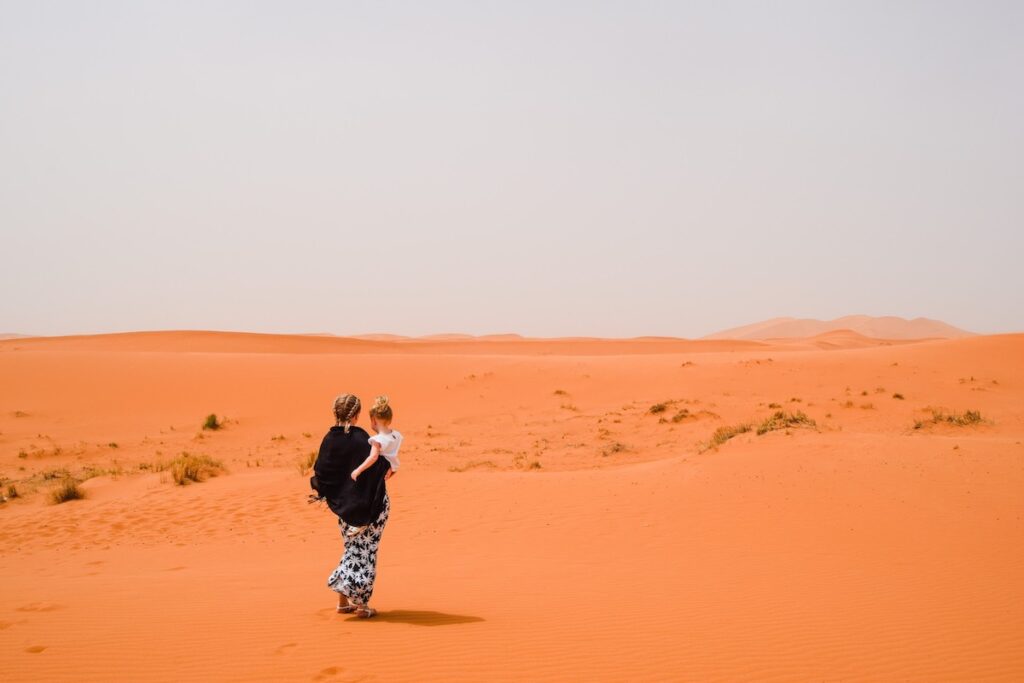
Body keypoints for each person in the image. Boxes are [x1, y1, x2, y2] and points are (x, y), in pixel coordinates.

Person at [310, 393, 393, 618]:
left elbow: (321, 474)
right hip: (369, 508)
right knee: (365, 553)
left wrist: (333, 496)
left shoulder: (329, 439)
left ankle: (343, 603)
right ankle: (363, 606)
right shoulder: (360, 438)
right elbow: (379, 468)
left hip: (344, 509)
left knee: (352, 549)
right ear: (356, 414)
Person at [351, 395, 402, 481]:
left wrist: (358, 470)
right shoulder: (396, 435)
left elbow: (373, 457)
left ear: (374, 421)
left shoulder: (377, 440)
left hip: (378, 471)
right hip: (393, 467)